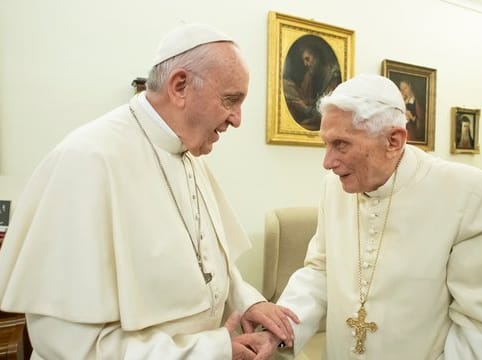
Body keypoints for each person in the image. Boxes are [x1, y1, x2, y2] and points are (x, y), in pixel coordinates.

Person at [0, 23, 298, 359]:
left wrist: (248, 302)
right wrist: (212, 350)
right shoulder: (87, 159)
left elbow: (207, 268)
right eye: (230, 100)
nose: (237, 119)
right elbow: (68, 345)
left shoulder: (187, 153)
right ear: (180, 86)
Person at [244, 74, 482, 359]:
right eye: (326, 143)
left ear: (393, 140)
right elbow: (320, 272)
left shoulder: (468, 193)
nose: (327, 162)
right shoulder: (333, 187)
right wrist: (277, 331)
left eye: (341, 144)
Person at [283, 42, 341, 131]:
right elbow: (308, 99)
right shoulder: (310, 74)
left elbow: (326, 111)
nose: (306, 64)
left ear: (317, 57)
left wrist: (304, 108)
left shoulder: (333, 77)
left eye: (308, 59)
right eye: (304, 61)